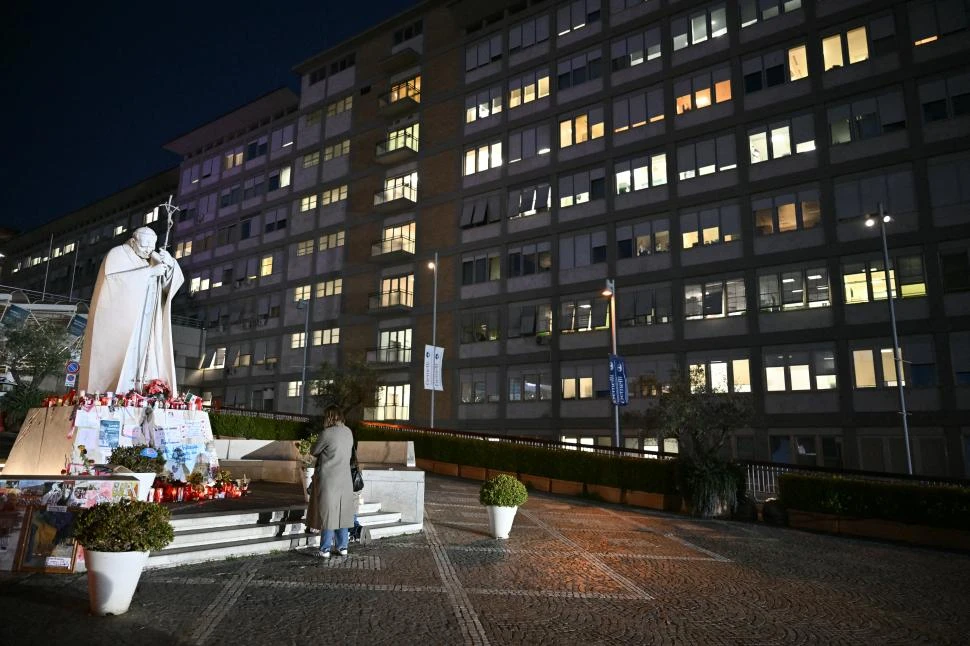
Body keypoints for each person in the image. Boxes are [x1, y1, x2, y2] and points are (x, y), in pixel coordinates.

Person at [79, 227, 184, 395]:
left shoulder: (153, 259)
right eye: (144, 247)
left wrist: (170, 264)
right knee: (125, 355)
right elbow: (112, 282)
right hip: (126, 318)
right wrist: (149, 273)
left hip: (148, 317)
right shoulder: (117, 254)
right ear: (133, 242)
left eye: (152, 246)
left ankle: (144, 389)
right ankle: (113, 392)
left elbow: (168, 288)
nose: (149, 250)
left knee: (147, 353)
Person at [306, 407, 355, 558]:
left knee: (328, 514)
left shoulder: (326, 433)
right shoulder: (348, 431)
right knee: (342, 513)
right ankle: (343, 547)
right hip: (345, 479)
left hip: (329, 479)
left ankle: (325, 549)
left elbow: (314, 451)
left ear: (329, 417)